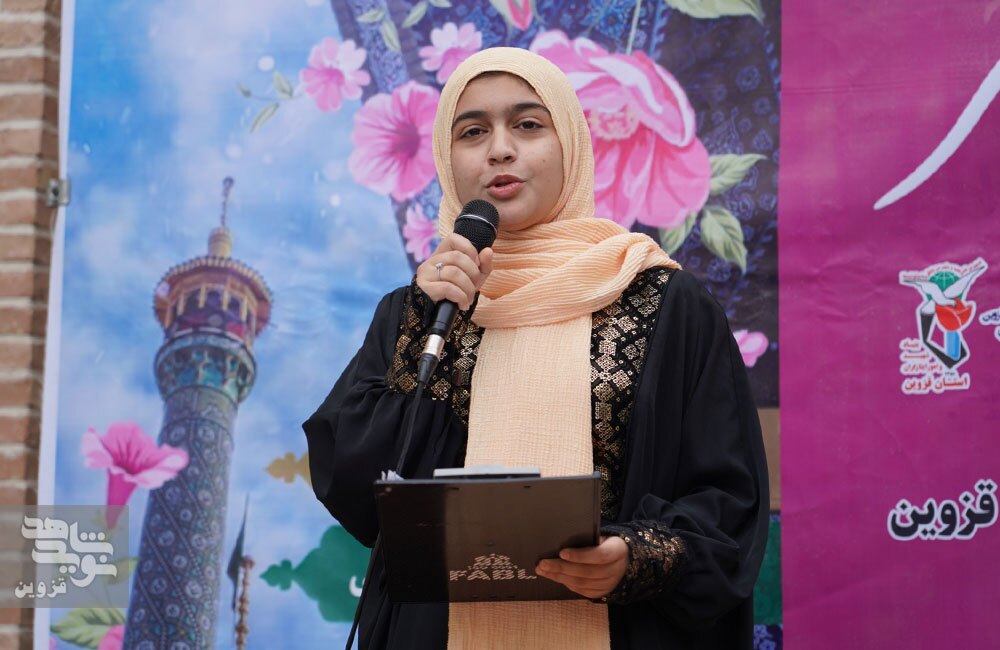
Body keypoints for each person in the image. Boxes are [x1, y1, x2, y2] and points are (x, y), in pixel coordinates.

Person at [303, 46, 769, 650]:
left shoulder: (665, 303)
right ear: (447, 158)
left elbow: (727, 499)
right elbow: (359, 490)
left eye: (527, 124)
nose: (500, 149)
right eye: (473, 131)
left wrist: (635, 555)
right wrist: (424, 323)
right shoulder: (420, 310)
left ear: (570, 144)